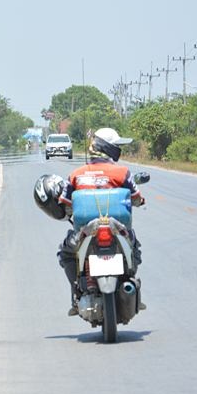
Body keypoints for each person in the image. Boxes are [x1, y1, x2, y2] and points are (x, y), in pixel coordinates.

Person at [56, 128, 145, 316]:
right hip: (117, 229)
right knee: (134, 248)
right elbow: (137, 199)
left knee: (66, 253)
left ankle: (75, 296)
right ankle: (131, 280)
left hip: (85, 232)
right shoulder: (122, 172)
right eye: (117, 146)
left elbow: (65, 204)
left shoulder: (76, 174)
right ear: (109, 148)